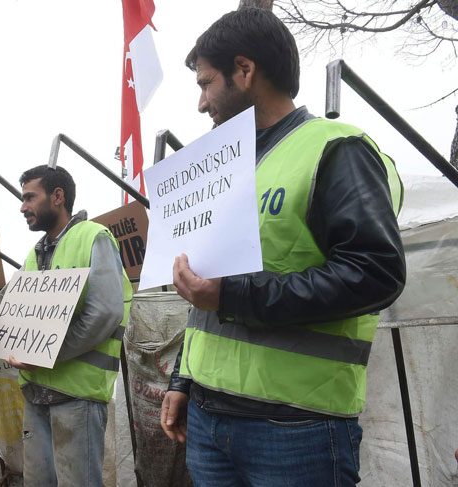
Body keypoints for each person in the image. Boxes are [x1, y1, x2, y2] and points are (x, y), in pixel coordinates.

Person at [158, 8, 406, 486]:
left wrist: (232, 296)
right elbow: (204, 290)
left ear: (245, 72)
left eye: (206, 83)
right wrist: (182, 381)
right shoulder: (221, 167)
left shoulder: (336, 149)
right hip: (209, 422)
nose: (201, 102)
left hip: (296, 428)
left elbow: (377, 273)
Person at [0, 166, 131, 487]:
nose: (22, 207)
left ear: (58, 197)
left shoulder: (93, 237)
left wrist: (48, 355)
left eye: (29, 197)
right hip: (35, 398)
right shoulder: (35, 254)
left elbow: (104, 313)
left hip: (76, 398)